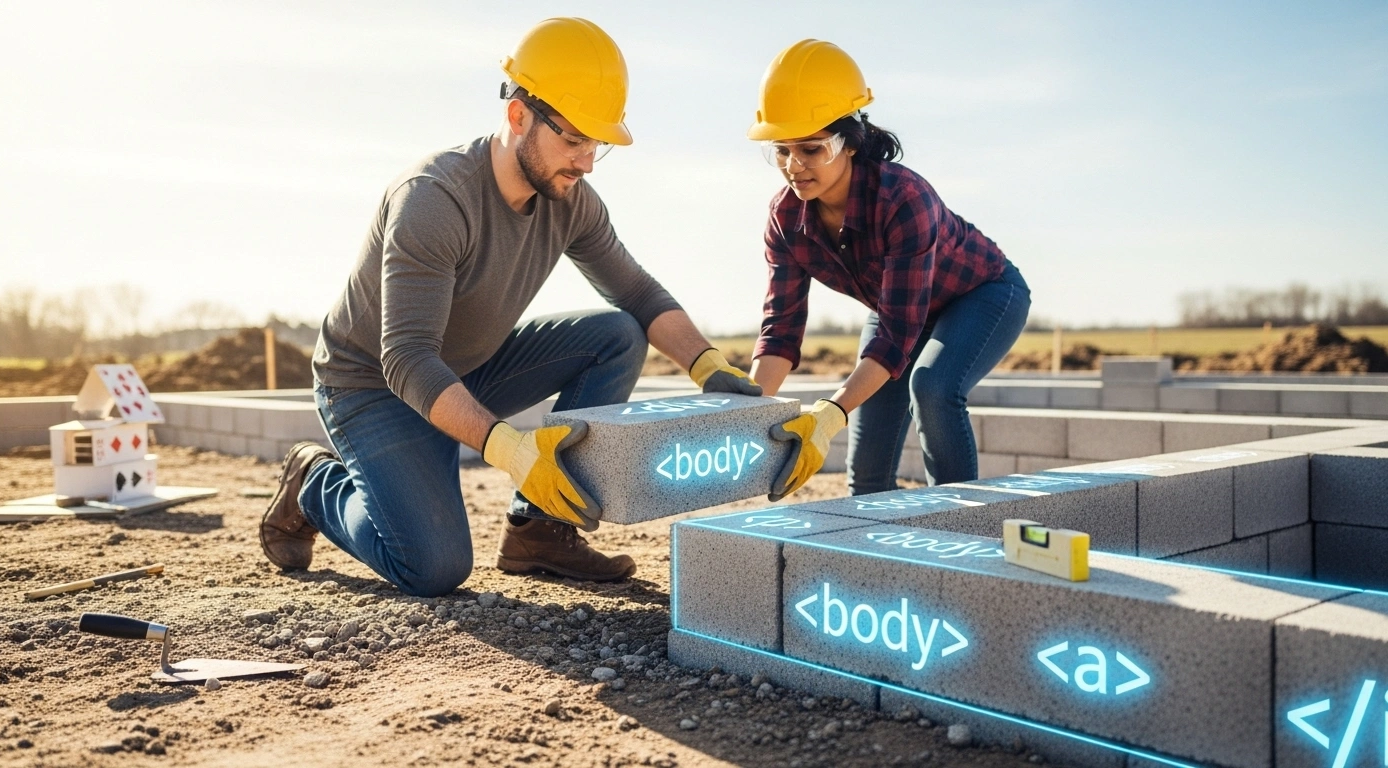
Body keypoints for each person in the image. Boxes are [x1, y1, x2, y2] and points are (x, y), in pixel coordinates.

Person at [258, 18, 759, 597]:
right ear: (519, 115)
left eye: (597, 145)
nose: (587, 162)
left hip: (466, 371)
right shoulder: (434, 199)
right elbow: (406, 359)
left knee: (619, 334)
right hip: (372, 387)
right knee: (434, 568)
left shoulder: (570, 200)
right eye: (573, 140)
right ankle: (314, 483)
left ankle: (539, 532)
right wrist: (511, 449)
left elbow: (639, 295)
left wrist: (708, 366)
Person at [747, 40, 1031, 501]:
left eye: (811, 150)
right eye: (781, 150)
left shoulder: (903, 197)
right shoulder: (786, 218)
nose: (793, 167)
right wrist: (747, 414)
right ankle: (870, 546)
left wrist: (829, 413)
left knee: (933, 387)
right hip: (896, 305)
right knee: (868, 468)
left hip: (982, 295)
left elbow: (898, 333)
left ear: (850, 144)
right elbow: (781, 329)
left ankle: (959, 520)